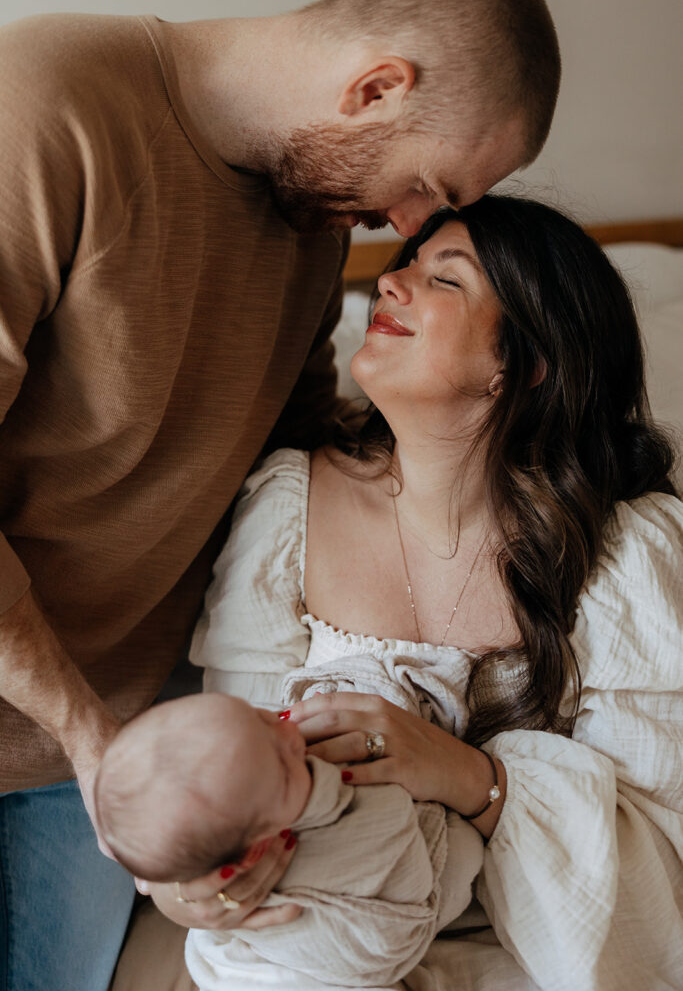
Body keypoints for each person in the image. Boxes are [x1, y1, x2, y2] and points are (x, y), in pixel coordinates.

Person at [0, 0, 561, 987]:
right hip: (81, 738)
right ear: (376, 87)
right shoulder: (44, 105)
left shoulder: (309, 216)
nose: (404, 225)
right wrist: (100, 751)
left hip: (123, 743)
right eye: (428, 188)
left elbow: (289, 436)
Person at [137, 196, 682, 991]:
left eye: (444, 279)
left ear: (522, 364)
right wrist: (200, 887)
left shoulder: (628, 553)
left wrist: (468, 777)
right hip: (328, 939)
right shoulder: (287, 510)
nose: (390, 283)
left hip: (545, 956)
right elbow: (232, 770)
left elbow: (659, 875)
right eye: (403, 264)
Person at [95, 691, 483, 990]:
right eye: (283, 768)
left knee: (463, 849)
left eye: (257, 716)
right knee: (463, 850)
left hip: (409, 885)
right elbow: (392, 816)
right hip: (371, 941)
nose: (286, 731)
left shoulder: (245, 773)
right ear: (255, 850)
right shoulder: (281, 822)